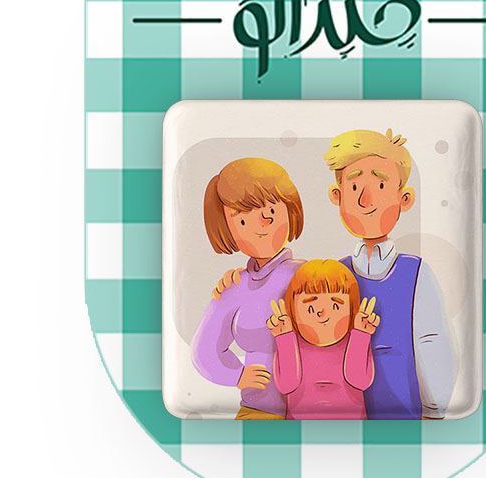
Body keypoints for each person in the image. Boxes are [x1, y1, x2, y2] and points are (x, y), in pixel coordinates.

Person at [326, 128, 455, 420]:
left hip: (402, 407)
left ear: (404, 198)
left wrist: (434, 407)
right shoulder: (337, 273)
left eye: (381, 186)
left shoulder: (415, 272)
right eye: (355, 187)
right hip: (346, 411)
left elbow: (431, 339)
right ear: (337, 195)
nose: (366, 199)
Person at [191, 158, 304, 420]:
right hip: (259, 409)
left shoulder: (305, 274)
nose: (260, 226)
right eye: (242, 221)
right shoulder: (234, 286)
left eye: (270, 212)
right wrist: (236, 374)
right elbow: (203, 349)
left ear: (290, 210)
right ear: (225, 228)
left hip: (313, 407)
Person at [267, 259, 379, 420]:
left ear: (352, 309)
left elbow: (360, 381)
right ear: (292, 309)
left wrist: (361, 335)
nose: (323, 314)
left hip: (350, 427)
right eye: (310, 308)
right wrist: (284, 338)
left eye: (336, 306)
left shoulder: (354, 340)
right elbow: (286, 385)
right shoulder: (291, 342)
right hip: (301, 428)